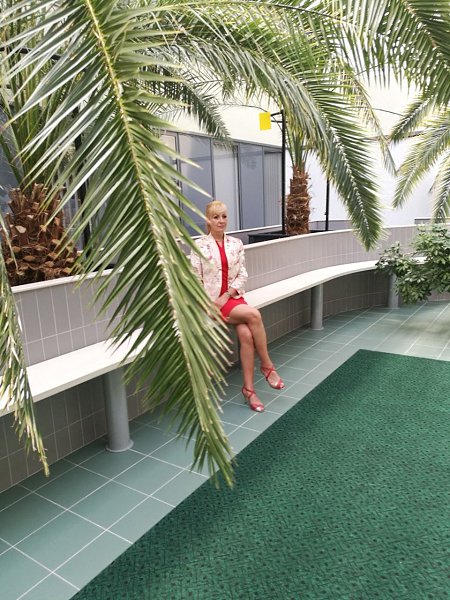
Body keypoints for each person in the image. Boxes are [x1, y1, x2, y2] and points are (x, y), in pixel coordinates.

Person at [190, 200, 285, 413]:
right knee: (254, 315)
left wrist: (228, 295)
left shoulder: (236, 244)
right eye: (216, 217)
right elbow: (194, 279)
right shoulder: (199, 246)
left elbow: (242, 274)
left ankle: (249, 390)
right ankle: (267, 366)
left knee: (246, 335)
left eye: (224, 216)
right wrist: (208, 304)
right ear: (208, 220)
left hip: (233, 298)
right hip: (212, 303)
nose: (221, 221)